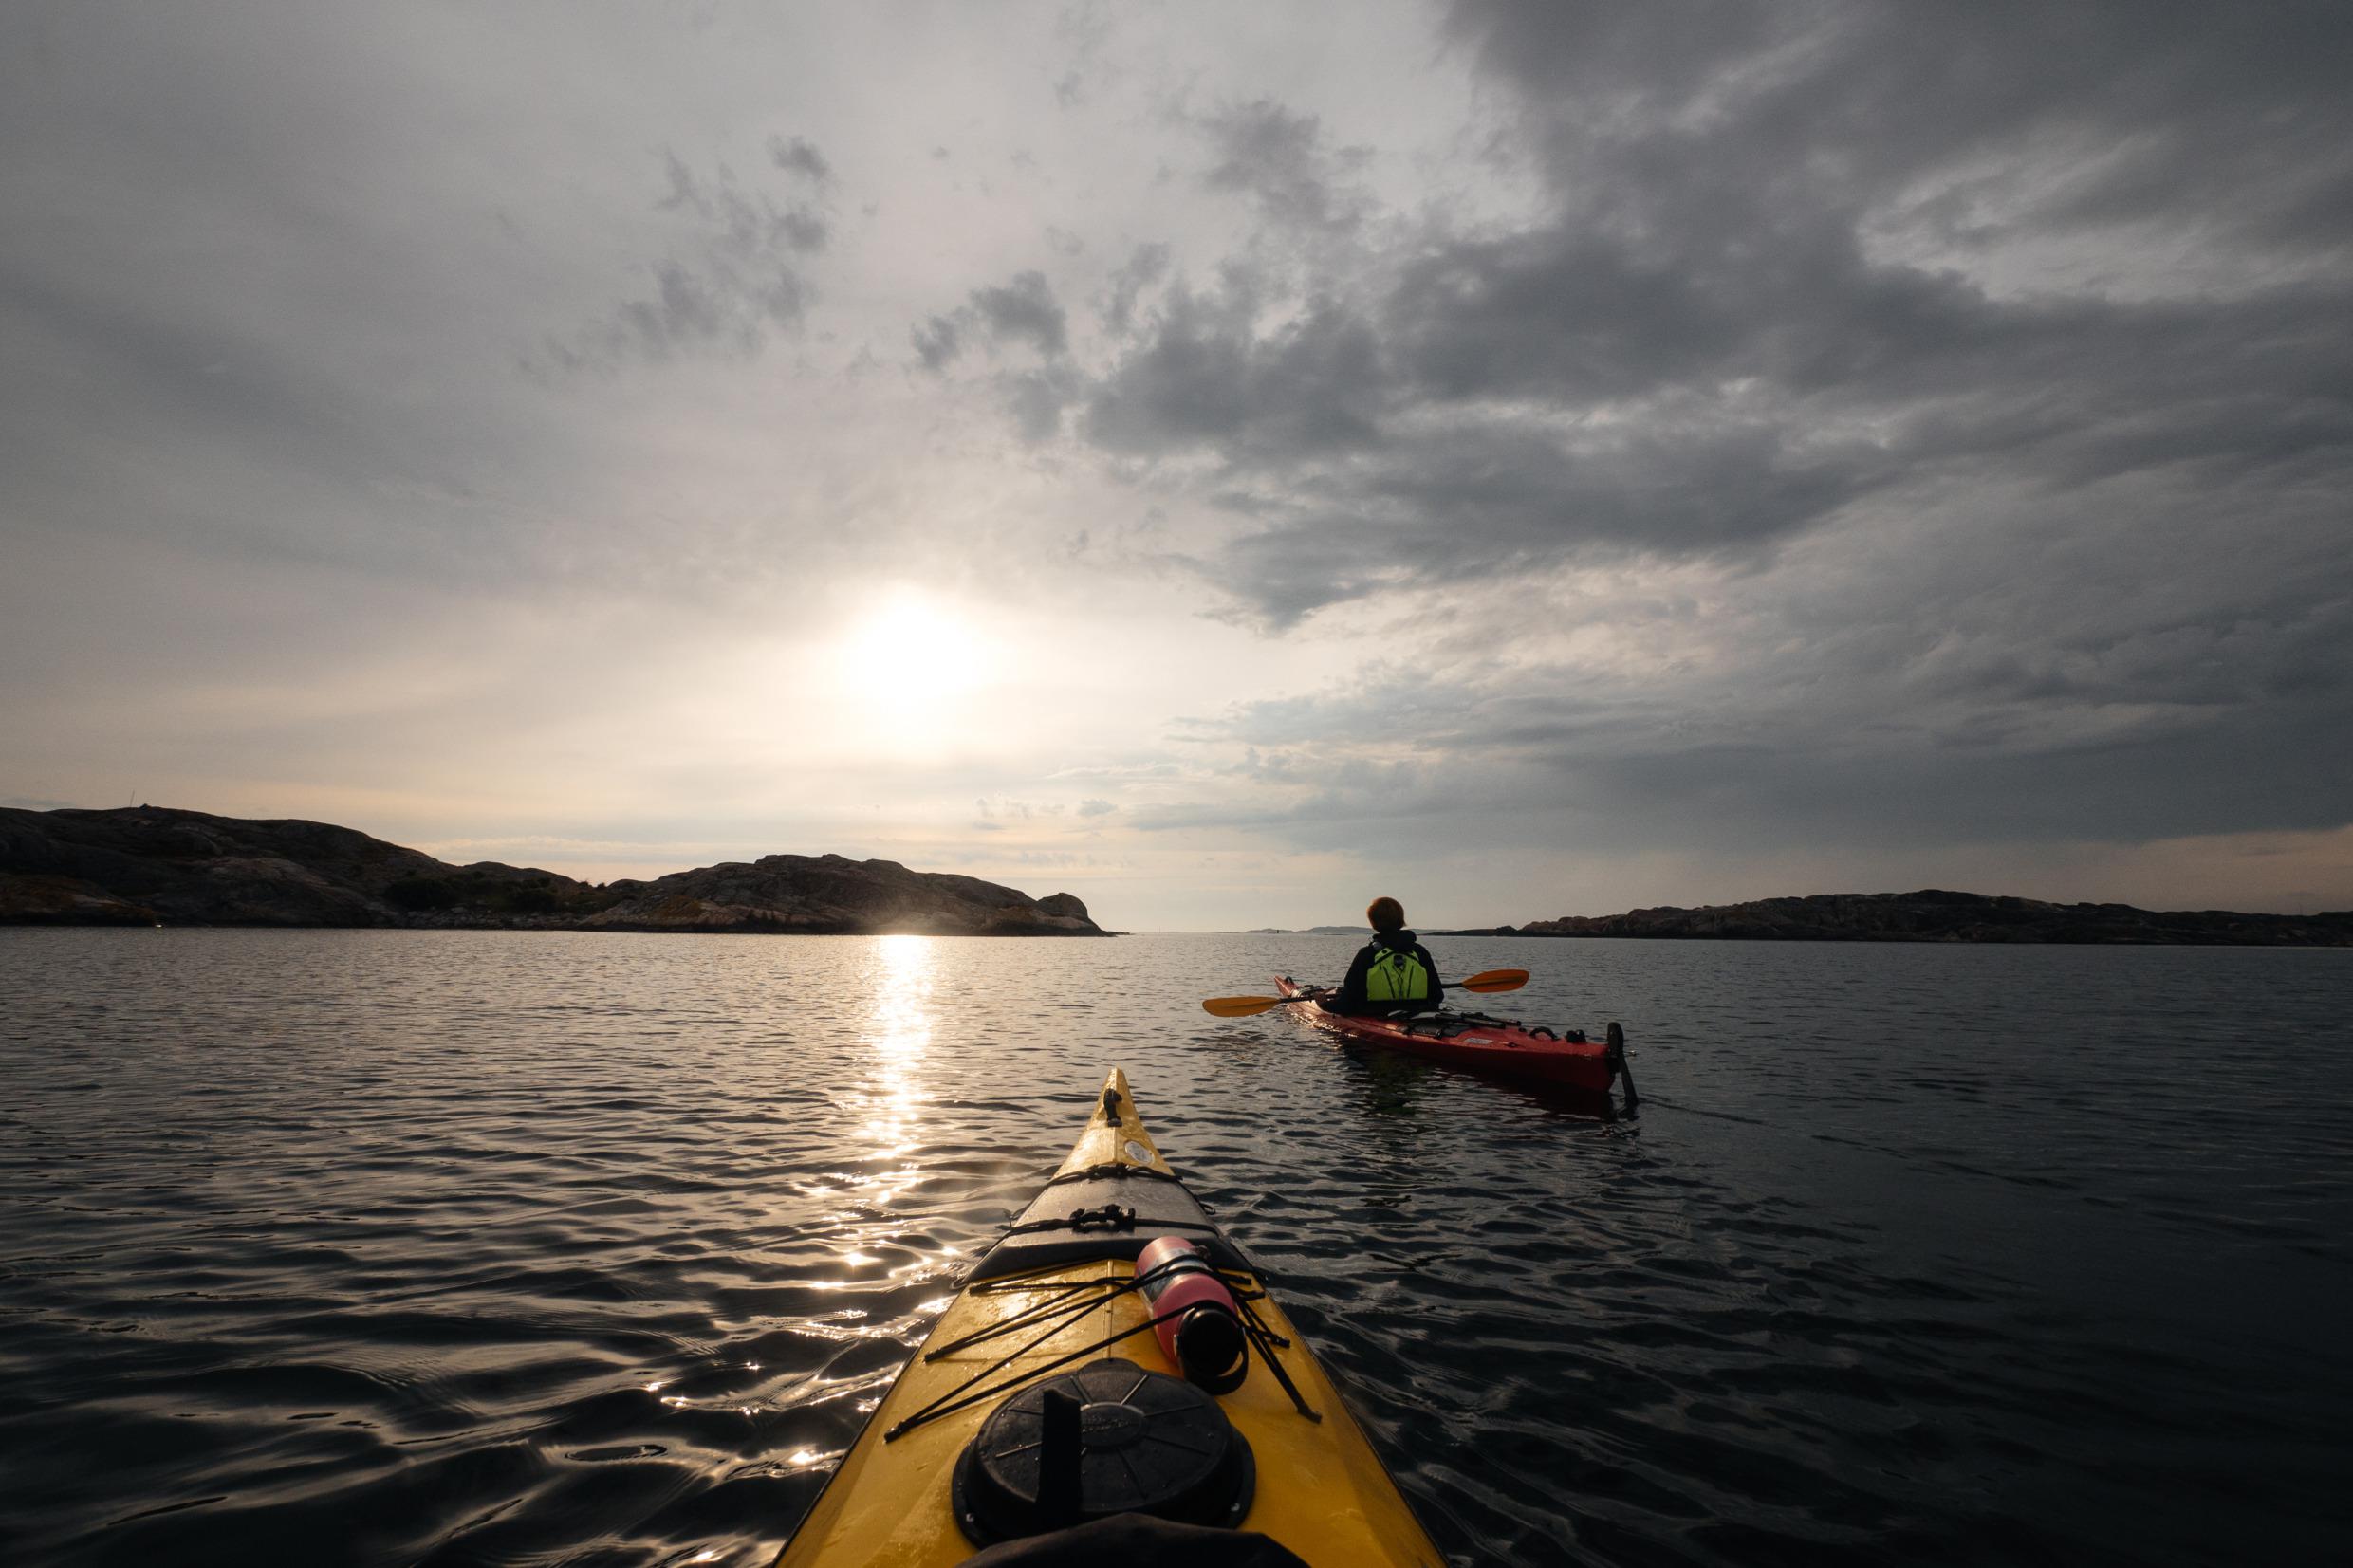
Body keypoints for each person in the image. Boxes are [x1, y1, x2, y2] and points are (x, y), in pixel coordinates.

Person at [1330, 896, 1445, 1016]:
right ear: (1401, 919)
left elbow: (1346, 1004)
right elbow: (1437, 996)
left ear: (1373, 922)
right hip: (1418, 1016)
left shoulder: (1367, 954)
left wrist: (1324, 1003)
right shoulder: (1420, 952)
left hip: (1376, 1016)